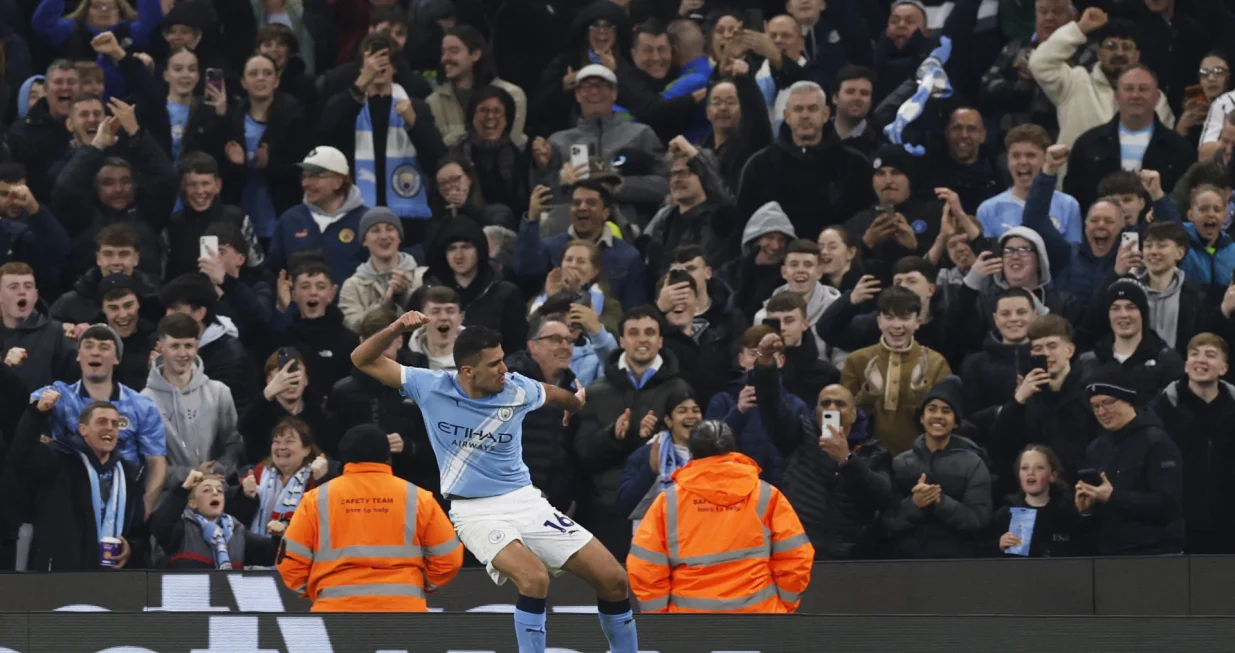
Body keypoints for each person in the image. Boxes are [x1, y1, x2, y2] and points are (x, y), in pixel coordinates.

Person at [352, 315, 640, 652]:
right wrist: (397, 328)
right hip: (475, 511)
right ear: (468, 371)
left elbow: (552, 393)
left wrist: (574, 405)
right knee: (534, 579)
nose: (504, 368)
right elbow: (361, 359)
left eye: (503, 359)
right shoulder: (429, 386)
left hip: (526, 502)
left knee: (615, 581)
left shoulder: (517, 387)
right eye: (494, 364)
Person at [626, 420, 814, 613]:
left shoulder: (668, 502)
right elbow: (797, 557)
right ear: (732, 450)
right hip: (760, 619)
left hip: (689, 625)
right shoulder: (766, 495)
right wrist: (784, 606)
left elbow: (644, 567)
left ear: (691, 454)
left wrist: (661, 618)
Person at [276, 424, 463, 611]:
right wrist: (419, 584)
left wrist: (317, 590)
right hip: (404, 611)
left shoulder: (316, 500)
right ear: (387, 456)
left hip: (335, 610)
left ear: (345, 457)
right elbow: (450, 558)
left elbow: (289, 562)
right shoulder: (418, 498)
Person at [752, 331, 893, 560]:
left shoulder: (873, 451)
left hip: (851, 558)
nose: (832, 409)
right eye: (825, 403)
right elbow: (771, 406)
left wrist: (846, 460)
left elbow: (882, 495)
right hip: (798, 551)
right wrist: (766, 365)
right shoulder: (798, 436)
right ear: (815, 411)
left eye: (840, 404)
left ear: (855, 414)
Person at [317, 33, 446, 236]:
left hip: (406, 220)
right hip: (354, 214)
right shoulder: (347, 104)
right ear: (361, 66)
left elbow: (436, 158)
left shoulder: (415, 107)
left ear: (395, 67)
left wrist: (414, 122)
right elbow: (326, 133)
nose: (379, 64)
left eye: (385, 57)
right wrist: (359, 85)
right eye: (372, 58)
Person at [1027, 8, 1175, 183]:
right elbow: (1039, 63)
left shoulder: (1152, 96)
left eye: (1126, 47)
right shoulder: (1074, 82)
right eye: (1111, 46)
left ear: (1137, 55)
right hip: (1079, 187)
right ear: (1098, 52)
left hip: (1135, 195)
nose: (1119, 53)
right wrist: (1079, 29)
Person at [30, 324, 166, 514]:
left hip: (122, 503)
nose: (95, 353)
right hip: (68, 506)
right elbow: (23, 410)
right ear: (78, 355)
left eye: (104, 347)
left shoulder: (142, 406)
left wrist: (143, 511)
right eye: (88, 346)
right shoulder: (60, 395)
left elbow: (156, 463)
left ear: (117, 358)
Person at [10, 400, 147, 571]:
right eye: (101, 422)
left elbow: (137, 529)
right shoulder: (58, 459)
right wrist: (36, 413)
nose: (110, 427)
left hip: (111, 577)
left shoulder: (129, 474)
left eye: (115, 424)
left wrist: (131, 546)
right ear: (83, 429)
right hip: (60, 574)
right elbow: (22, 454)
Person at [52, 96, 178, 279]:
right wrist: (96, 146)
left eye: (125, 181)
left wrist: (136, 132)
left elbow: (166, 179)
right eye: (108, 183)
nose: (119, 189)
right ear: (95, 188)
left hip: (145, 299)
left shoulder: (148, 214)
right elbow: (65, 189)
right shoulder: (82, 216)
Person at [531, 64, 668, 233]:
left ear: (614, 93)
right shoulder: (558, 141)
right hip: (571, 230)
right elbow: (545, 197)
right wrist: (544, 169)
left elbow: (665, 185)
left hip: (628, 227)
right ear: (577, 95)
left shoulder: (641, 134)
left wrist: (617, 186)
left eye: (601, 86)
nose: (594, 92)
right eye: (586, 87)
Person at [736, 81, 872, 239]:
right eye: (798, 109)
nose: (805, 115)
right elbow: (746, 222)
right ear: (786, 116)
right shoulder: (759, 166)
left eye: (813, 109)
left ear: (826, 114)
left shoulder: (856, 165)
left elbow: (863, 217)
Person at [882, 377, 993, 559]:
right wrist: (914, 504)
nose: (938, 416)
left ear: (956, 422)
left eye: (946, 410)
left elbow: (979, 519)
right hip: (906, 562)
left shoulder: (973, 463)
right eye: (932, 409)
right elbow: (888, 521)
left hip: (956, 561)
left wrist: (940, 501)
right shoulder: (901, 463)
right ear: (922, 418)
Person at [1077, 372, 1185, 556]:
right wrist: (1087, 511)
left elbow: (1168, 504)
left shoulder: (1157, 442)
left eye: (1108, 402)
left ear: (1129, 401)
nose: (1102, 412)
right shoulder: (1096, 449)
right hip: (1110, 555)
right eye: (1095, 406)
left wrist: (1113, 497)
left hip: (1156, 554)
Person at [328, 309, 435, 491]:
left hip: (413, 485)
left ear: (400, 341)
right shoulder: (343, 393)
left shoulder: (423, 384)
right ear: (361, 342)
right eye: (373, 344)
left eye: (385, 345)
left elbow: (442, 445)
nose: (379, 354)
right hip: (359, 488)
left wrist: (409, 446)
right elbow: (331, 448)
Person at [1065, 66, 1196, 213]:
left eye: (1143, 89)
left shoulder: (1180, 149)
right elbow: (1073, 200)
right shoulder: (1087, 144)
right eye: (1128, 89)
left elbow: (1186, 202)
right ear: (1117, 95)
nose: (1135, 95)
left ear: (1157, 97)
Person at [841, 287, 952, 456]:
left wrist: (919, 391)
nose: (897, 325)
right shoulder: (857, 360)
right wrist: (870, 394)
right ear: (879, 321)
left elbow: (945, 422)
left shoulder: (937, 363)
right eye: (889, 318)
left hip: (922, 458)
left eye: (905, 318)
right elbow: (845, 420)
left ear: (918, 322)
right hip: (868, 459)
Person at [1150, 333, 1235, 553]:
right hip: (1180, 527)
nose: (1201, 360)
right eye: (1194, 354)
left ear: (1224, 368)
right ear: (1186, 365)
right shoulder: (1162, 408)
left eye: (1210, 355)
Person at [141, 313, 244, 488]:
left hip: (216, 495)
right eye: (175, 346)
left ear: (197, 346)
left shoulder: (219, 392)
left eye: (188, 345)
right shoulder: (144, 402)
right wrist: (190, 475)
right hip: (169, 502)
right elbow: (145, 463)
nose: (183, 353)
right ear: (160, 347)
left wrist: (218, 469)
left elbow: (233, 445)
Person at [517, 181, 649, 312]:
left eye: (591, 203)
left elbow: (635, 310)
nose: (582, 207)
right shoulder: (551, 247)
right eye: (576, 203)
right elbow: (525, 269)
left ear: (605, 213)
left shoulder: (628, 257)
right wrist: (532, 218)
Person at [411, 214, 527, 353]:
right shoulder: (425, 295)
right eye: (452, 248)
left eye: (466, 247)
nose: (459, 255)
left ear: (480, 250)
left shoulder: (506, 294)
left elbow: (517, 350)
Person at [159, 273, 260, 416]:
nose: (168, 316)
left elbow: (212, 414)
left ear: (200, 313)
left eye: (176, 309)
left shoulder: (230, 358)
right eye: (167, 309)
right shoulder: (162, 342)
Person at [266, 147, 369, 283]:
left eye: (315, 176)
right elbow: (273, 272)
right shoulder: (290, 220)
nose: (305, 183)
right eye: (304, 176)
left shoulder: (366, 221)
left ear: (338, 181)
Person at [642, 137, 738, 276]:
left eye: (685, 172)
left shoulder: (720, 217)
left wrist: (692, 153)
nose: (677, 179)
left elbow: (718, 187)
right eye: (673, 174)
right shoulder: (663, 222)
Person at [1079, 279, 1184, 404]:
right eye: (1115, 308)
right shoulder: (1090, 361)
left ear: (1143, 312)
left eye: (1131, 307)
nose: (1123, 315)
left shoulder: (1166, 360)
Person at [150, 469, 280, 569]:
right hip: (188, 602)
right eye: (207, 490)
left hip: (226, 601)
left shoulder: (237, 531)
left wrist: (278, 536)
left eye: (219, 490)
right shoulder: (183, 528)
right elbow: (160, 524)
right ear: (193, 503)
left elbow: (272, 555)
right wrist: (184, 488)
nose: (215, 493)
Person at [229, 416, 335, 537]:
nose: (282, 447)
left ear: (306, 450)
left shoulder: (317, 476)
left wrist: (322, 481)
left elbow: (326, 518)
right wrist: (245, 496)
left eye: (289, 441)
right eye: (276, 442)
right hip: (258, 546)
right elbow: (239, 517)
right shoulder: (259, 472)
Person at [164, 152, 262, 282]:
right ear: (183, 188)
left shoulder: (238, 219)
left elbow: (257, 269)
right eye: (192, 185)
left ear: (218, 185)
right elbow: (166, 276)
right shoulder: (173, 225)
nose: (200, 191)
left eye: (205, 184)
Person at [976, 124, 1082, 244]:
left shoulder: (1068, 205)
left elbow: (1074, 258)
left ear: (1045, 159)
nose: (1023, 162)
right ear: (1008, 161)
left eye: (1030, 155)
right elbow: (989, 259)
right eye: (1016, 156)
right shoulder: (988, 210)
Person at [613, 389, 700, 529]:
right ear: (668, 420)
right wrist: (650, 471)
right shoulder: (647, 454)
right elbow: (625, 507)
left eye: (695, 410)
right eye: (682, 411)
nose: (691, 416)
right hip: (655, 542)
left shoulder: (712, 455)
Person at [273, 258, 358, 403]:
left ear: (332, 293)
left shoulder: (349, 340)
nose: (313, 293)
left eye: (321, 287)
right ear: (293, 294)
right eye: (305, 286)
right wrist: (281, 310)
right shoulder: (283, 336)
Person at [428, 26, 527, 147]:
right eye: (443, 52)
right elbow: (439, 151)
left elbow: (511, 146)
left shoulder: (512, 94)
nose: (445, 59)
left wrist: (456, 138)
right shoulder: (434, 101)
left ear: (475, 54)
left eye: (454, 51)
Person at [239, 350, 338, 463]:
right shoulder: (259, 417)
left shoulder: (324, 419)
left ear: (306, 379)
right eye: (283, 375)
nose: (290, 382)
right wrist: (266, 394)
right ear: (269, 381)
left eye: (295, 374)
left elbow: (333, 461)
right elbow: (243, 427)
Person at [52, 224, 160, 326]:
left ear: (136, 258)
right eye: (108, 254)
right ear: (98, 258)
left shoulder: (153, 302)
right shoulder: (69, 304)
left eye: (124, 254)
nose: (115, 262)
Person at [991, 444, 1086, 557]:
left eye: (1039, 467)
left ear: (1052, 476)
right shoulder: (1005, 515)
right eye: (1025, 468)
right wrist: (999, 546)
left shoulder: (1067, 512)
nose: (1030, 472)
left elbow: (1085, 550)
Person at [339, 208, 421, 333]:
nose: (384, 236)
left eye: (390, 229)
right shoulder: (352, 285)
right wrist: (382, 308)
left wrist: (405, 296)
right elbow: (350, 325)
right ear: (364, 241)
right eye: (375, 230)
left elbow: (430, 320)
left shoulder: (421, 276)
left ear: (399, 237)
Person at [5, 61, 79, 201]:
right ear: (45, 89)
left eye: (71, 82)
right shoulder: (22, 133)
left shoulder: (96, 125)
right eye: (58, 82)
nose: (65, 87)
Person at [0, 262, 78, 392]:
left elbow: (73, 382)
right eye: (14, 287)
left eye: (28, 286)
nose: (22, 292)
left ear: (35, 295)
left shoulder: (55, 333)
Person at [960, 287, 1034, 415]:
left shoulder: (1049, 357)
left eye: (1021, 312)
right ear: (996, 319)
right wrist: (1011, 406)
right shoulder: (975, 364)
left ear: (1035, 315)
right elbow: (970, 416)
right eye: (1005, 314)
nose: (1014, 318)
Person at [0, 163, 71, 296]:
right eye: (4, 194)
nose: (14, 201)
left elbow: (61, 250)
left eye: (19, 193)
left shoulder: (40, 219)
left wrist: (33, 208)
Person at [98, 274, 157, 391]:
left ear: (138, 304)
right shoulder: (93, 340)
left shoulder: (156, 339)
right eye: (113, 308)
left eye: (128, 305)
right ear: (103, 309)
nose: (123, 315)